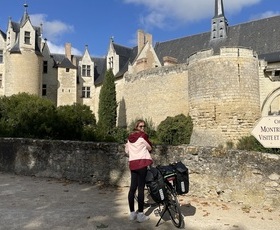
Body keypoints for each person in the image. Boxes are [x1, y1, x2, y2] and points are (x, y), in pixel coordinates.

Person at [125, 119, 153, 223]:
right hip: (142, 164)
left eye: (143, 126)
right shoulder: (143, 136)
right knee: (141, 188)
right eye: (141, 126)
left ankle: (132, 213)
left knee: (132, 188)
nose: (143, 128)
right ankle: (140, 214)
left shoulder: (129, 138)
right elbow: (150, 148)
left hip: (133, 164)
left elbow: (126, 151)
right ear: (136, 127)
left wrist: (134, 151)